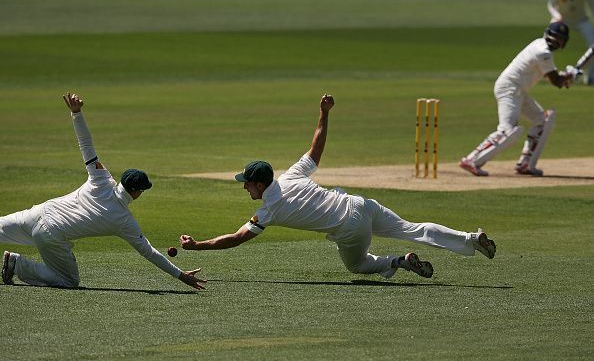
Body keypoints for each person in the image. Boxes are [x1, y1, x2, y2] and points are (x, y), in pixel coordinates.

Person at [179, 95, 496, 280]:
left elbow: (236, 239)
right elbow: (316, 148)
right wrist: (323, 112)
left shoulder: (268, 211)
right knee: (412, 228)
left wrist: (197, 246)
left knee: (358, 265)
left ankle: (398, 262)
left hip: (349, 227)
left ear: (259, 184)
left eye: (246, 183)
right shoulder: (291, 175)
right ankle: (472, 239)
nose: (244, 188)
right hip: (361, 205)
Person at [1, 93, 206, 290]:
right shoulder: (124, 221)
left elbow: (86, 145)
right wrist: (180, 275)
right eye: (142, 190)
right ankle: (17, 265)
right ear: (136, 192)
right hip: (52, 234)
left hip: (38, 212)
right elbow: (150, 253)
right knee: (68, 280)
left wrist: (76, 113)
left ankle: (15, 263)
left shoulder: (101, 178)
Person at [459, 22, 579, 177]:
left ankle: (526, 164)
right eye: (555, 36)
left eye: (560, 39)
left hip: (518, 90)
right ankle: (471, 160)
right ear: (547, 34)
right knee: (508, 131)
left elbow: (554, 77)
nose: (557, 41)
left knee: (544, 120)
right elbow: (556, 81)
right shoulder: (543, 52)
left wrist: (567, 76)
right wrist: (570, 75)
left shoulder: (540, 45)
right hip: (509, 89)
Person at [548, 0, 594, 84]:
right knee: (546, 43)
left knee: (593, 42)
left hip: (582, 20)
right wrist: (556, 15)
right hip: (561, 19)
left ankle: (590, 76)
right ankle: (547, 72)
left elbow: (591, 3)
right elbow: (551, 4)